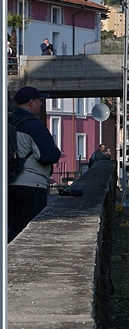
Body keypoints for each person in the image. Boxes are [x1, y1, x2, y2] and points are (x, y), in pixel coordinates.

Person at [7, 86, 62, 242]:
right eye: (39, 101)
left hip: (9, 182)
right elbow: (48, 155)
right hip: (32, 184)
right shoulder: (33, 125)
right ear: (31, 102)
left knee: (15, 230)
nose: (41, 104)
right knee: (33, 232)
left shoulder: (8, 121)